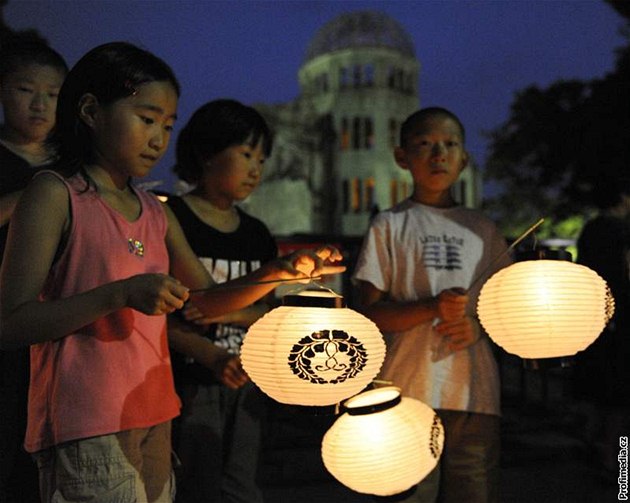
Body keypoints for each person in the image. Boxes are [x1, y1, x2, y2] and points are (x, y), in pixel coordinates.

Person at [0, 41, 344, 503]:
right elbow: (11, 322)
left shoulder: (154, 211)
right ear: (90, 110)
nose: (159, 138)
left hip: (156, 413)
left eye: (167, 124)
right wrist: (118, 294)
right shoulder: (54, 193)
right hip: (86, 420)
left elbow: (203, 301)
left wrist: (280, 271)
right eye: (146, 119)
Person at [352, 107, 510, 503]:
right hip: (405, 392)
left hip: (474, 396)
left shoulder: (484, 229)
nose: (438, 154)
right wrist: (431, 307)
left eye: (449, 145)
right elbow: (369, 314)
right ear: (402, 157)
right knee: (409, 493)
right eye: (424, 145)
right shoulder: (389, 225)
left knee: (471, 489)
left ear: (464, 159)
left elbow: (508, 308)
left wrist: (478, 326)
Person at [166, 99, 276, 503]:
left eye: (262, 160)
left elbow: (269, 312)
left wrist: (229, 310)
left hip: (246, 381)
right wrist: (208, 350)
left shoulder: (257, 233)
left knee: (241, 482)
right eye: (246, 154)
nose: (255, 169)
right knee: (192, 479)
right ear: (207, 152)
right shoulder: (172, 219)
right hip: (186, 380)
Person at [0, 34, 67, 503]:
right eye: (26, 89)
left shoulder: (73, 164)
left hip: (58, 318)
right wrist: (38, 195)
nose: (40, 104)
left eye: (54, 94)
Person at [573, 175, 630, 478]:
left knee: (599, 392)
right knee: (619, 398)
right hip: (620, 323)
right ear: (622, 200)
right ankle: (617, 462)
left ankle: (594, 441)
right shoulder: (621, 232)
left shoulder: (590, 231)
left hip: (595, 317)